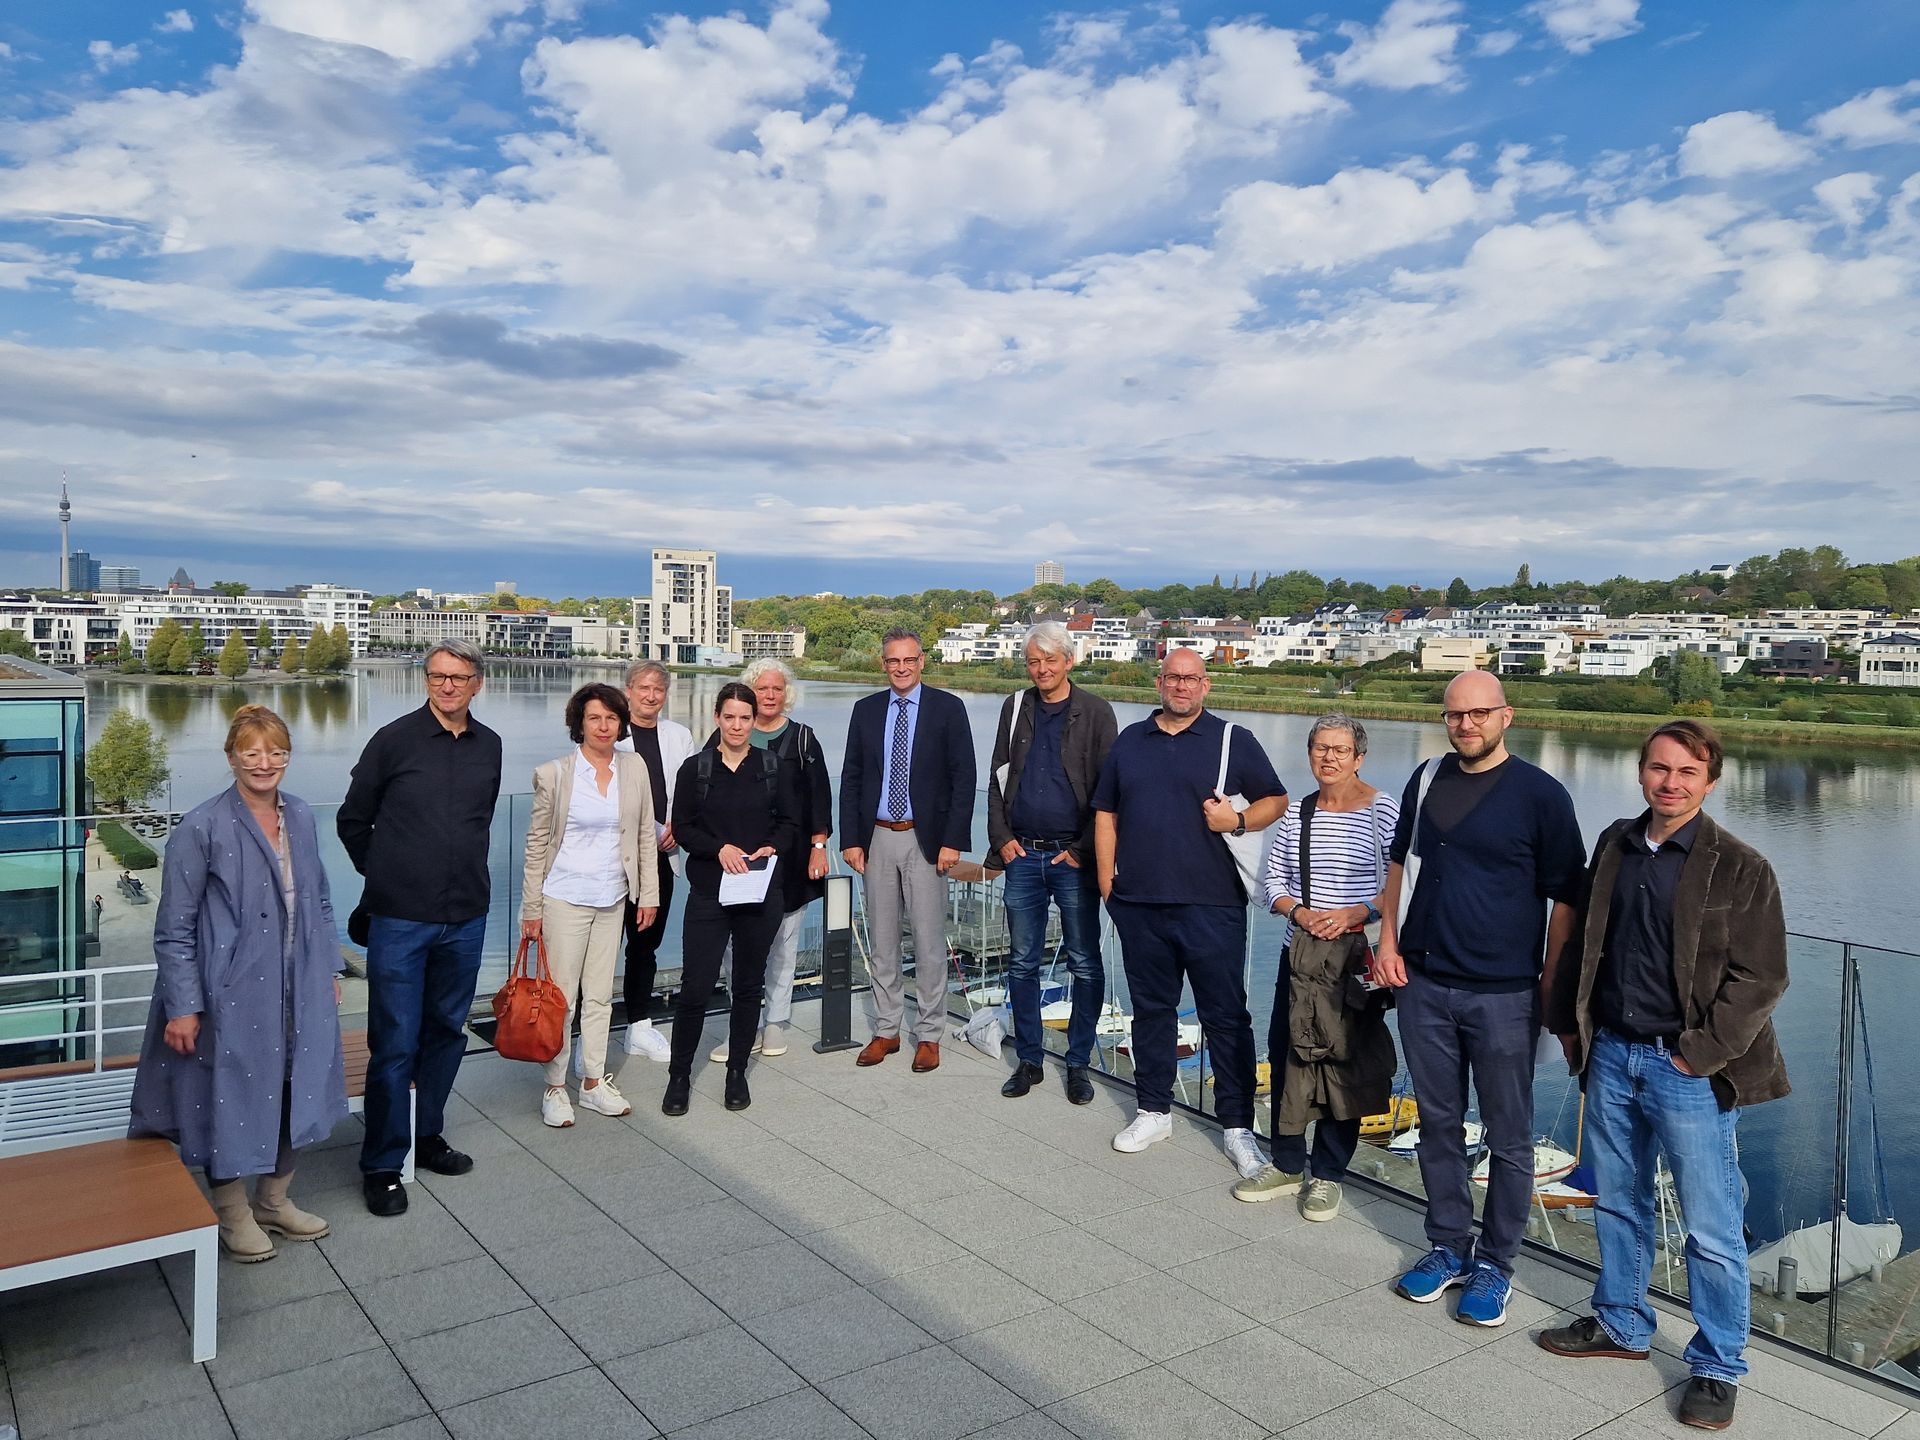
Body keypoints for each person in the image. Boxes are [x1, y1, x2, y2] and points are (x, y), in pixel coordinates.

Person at [1539, 721, 1788, 1432]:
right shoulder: (1615, 843)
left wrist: (1698, 1055)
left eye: (1686, 772)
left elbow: (1762, 977)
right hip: (1612, 1054)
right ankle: (1621, 1323)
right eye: (1659, 768)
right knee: (1618, 1202)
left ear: (1710, 781)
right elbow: (1585, 942)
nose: (1670, 783)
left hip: (1687, 1070)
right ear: (1641, 771)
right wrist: (1569, 1024)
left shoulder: (1741, 866)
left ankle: (1717, 1366)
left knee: (1710, 1227)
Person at [1374, 669, 1586, 1326]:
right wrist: (1387, 941)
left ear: (1505, 716)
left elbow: (1567, 898)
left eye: (1478, 713)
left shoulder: (1541, 795)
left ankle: (1496, 1263)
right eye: (1454, 714)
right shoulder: (1426, 779)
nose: (1465, 725)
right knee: (1438, 1124)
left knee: (1510, 1136)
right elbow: (1398, 864)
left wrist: (1550, 980)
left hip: (1505, 994)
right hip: (1423, 984)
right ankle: (1448, 1247)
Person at [130, 704, 347, 1262]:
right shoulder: (201, 826)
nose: (264, 763)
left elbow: (320, 900)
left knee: (295, 1086)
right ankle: (232, 1214)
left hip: (299, 983)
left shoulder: (301, 815)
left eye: (276, 752)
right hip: (228, 992)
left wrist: (327, 967)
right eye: (251, 752)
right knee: (223, 1097)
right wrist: (183, 1005)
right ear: (231, 757)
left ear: (288, 757)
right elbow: (174, 927)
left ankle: (274, 1200)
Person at [1091, 648, 1287, 1175]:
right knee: (1151, 1011)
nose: (1181, 686)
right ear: (1160, 682)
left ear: (1206, 685)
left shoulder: (1232, 739)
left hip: (1213, 904)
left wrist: (1238, 821)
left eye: (1191, 678)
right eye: (1173, 678)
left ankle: (1238, 1127)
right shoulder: (1131, 740)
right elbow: (1106, 814)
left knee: (1225, 1017)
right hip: (1140, 903)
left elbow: (1275, 799)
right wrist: (1108, 883)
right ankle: (1153, 1111)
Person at [338, 639, 503, 1218]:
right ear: (427, 680)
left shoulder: (490, 745)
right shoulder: (393, 740)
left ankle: (426, 1133)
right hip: (401, 920)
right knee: (394, 1042)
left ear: (477, 683)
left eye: (458, 677)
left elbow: (479, 821)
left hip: (466, 917)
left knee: (446, 1032)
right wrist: (389, 874)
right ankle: (383, 1165)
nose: (447, 686)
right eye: (437, 676)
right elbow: (353, 821)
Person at [1235, 715, 1398, 1220]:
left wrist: (1359, 912)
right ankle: (1286, 1163)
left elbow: (1400, 884)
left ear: (1359, 757)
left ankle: (1328, 1173)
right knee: (1287, 1053)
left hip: (1355, 960)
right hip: (1300, 955)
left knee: (1345, 1060)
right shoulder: (1298, 813)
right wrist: (1300, 912)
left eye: (1340, 750)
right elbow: (1273, 881)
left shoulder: (1384, 811)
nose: (1329, 758)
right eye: (1320, 748)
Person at [985, 621, 1118, 1104]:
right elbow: (997, 778)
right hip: (1022, 854)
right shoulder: (1015, 707)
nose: (1041, 669)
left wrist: (1082, 850)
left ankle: (1078, 1064)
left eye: (1050, 660)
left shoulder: (1097, 712)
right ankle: (1029, 1060)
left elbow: (1109, 792)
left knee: (1084, 963)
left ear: (1069, 661)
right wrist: (1002, 839)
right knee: (1022, 962)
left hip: (1072, 860)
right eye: (1033, 661)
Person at [520, 683, 660, 1127]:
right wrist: (531, 909)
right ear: (579, 723)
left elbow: (644, 834)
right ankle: (555, 1087)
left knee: (600, 996)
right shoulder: (556, 774)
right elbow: (536, 844)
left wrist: (648, 894)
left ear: (621, 724)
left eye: (611, 718)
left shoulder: (633, 767)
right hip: (564, 898)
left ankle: (593, 1082)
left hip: (612, 897)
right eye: (594, 718)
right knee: (561, 999)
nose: (603, 726)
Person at [839, 629, 976, 1073]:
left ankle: (929, 1034)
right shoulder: (866, 710)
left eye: (909, 660)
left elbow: (964, 778)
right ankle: (887, 1030)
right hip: (877, 838)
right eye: (893, 661)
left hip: (927, 839)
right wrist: (851, 839)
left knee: (928, 941)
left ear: (922, 661)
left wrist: (953, 840)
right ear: (883, 664)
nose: (901, 668)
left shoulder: (948, 708)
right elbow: (852, 776)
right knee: (882, 942)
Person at [664, 682, 801, 1114]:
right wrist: (717, 849)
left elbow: (791, 822)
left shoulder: (773, 767)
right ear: (717, 718)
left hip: (759, 892)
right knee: (696, 986)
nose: (738, 725)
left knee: (747, 984)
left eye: (745, 717)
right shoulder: (696, 769)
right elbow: (683, 828)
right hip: (710, 891)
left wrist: (772, 846)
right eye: (730, 717)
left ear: (754, 720)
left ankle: (737, 1072)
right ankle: (679, 1076)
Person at [709, 658, 831, 1063]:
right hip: (737, 860)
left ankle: (775, 1020)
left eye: (777, 688)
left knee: (783, 943)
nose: (770, 695)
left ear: (786, 693)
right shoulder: (724, 736)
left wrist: (818, 846)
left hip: (790, 860)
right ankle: (742, 1021)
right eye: (762, 688)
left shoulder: (802, 739)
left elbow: (820, 797)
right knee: (734, 945)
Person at [614, 660, 696, 1061]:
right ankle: (585, 1034)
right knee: (599, 946)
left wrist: (680, 824)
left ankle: (639, 1026)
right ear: (628, 691)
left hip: (662, 854)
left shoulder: (679, 735)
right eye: (643, 688)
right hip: (615, 856)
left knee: (645, 944)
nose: (650, 696)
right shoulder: (610, 732)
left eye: (658, 689)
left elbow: (691, 788)